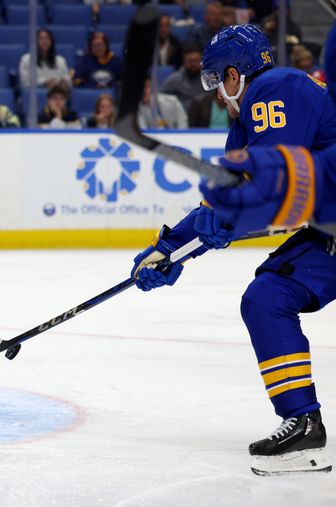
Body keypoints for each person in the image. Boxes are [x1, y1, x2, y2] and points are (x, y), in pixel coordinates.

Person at [130, 25, 336, 476]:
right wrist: (167, 248)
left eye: (215, 80)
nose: (218, 93)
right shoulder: (250, 119)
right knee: (267, 298)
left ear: (235, 72)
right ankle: (304, 424)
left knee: (267, 299)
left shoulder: (275, 88)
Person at [160, 43, 204, 114]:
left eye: (195, 61)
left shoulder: (209, 79)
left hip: (205, 121)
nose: (193, 64)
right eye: (190, 61)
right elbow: (160, 98)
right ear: (184, 61)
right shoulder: (175, 79)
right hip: (181, 120)